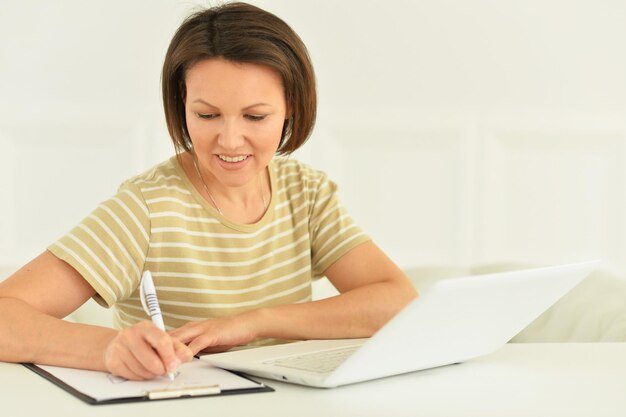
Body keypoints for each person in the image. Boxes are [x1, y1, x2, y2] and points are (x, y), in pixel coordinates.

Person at [0, 2, 417, 381]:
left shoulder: (304, 193)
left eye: (255, 117)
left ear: (291, 106)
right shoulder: (146, 207)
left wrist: (255, 322)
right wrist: (108, 349)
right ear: (182, 104)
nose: (230, 140)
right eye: (207, 114)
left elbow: (396, 300)